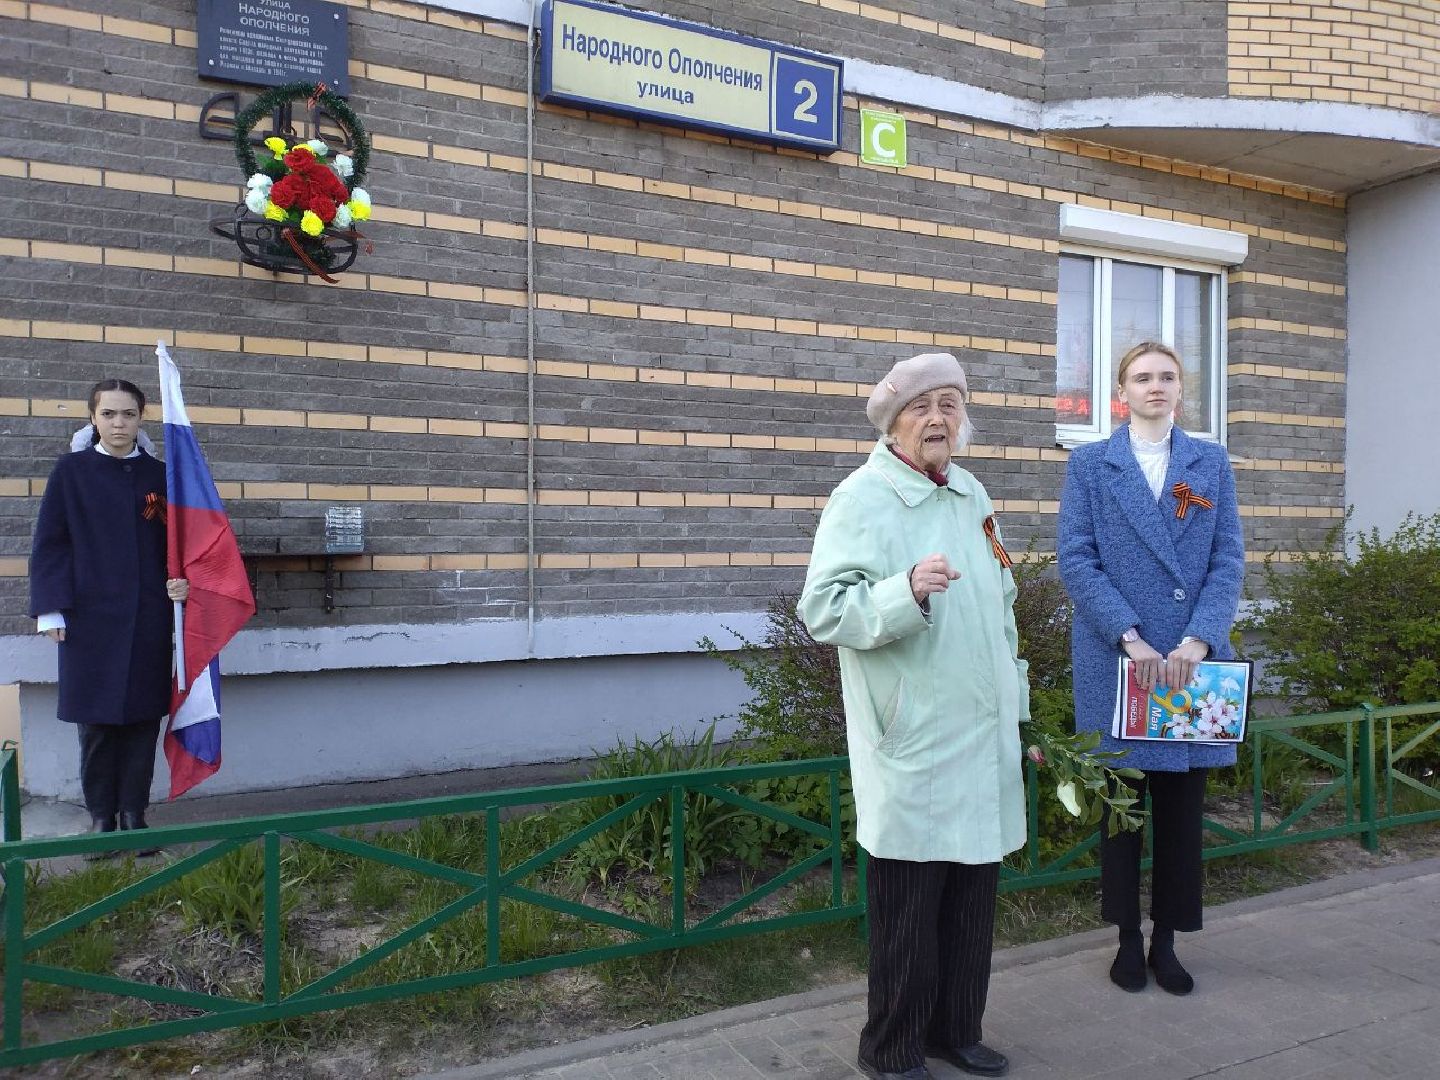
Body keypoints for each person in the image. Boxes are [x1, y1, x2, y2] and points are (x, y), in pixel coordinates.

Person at [799, 352, 1027, 1080]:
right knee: (907, 913)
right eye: (922, 407)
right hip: (913, 739)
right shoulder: (861, 497)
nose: (938, 419)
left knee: (970, 904)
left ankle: (956, 1029)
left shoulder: (970, 493)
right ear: (893, 422)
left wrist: (1016, 711)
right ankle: (890, 1049)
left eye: (951, 405)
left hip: (980, 733)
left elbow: (1004, 613)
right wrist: (905, 592)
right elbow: (824, 610)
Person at [1058, 341, 1244, 996]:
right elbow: (1076, 560)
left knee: (1179, 808)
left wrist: (1199, 638)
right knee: (1120, 807)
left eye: (1167, 376)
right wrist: (1131, 638)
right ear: (1122, 391)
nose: (1156, 386)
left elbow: (1227, 560)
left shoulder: (1209, 463)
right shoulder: (1090, 465)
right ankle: (1125, 940)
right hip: (1119, 661)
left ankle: (1167, 939)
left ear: (1181, 389)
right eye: (1143, 377)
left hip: (1190, 666)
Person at [29, 379, 188, 847]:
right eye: (109, 414)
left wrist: (182, 581)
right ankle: (101, 818)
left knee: (142, 718)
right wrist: (51, 611)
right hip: (87, 619)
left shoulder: (161, 476)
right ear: (93, 418)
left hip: (148, 616)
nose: (119, 424)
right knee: (96, 722)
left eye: (129, 415)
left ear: (142, 419)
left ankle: (134, 815)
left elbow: (181, 544)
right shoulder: (71, 472)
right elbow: (51, 544)